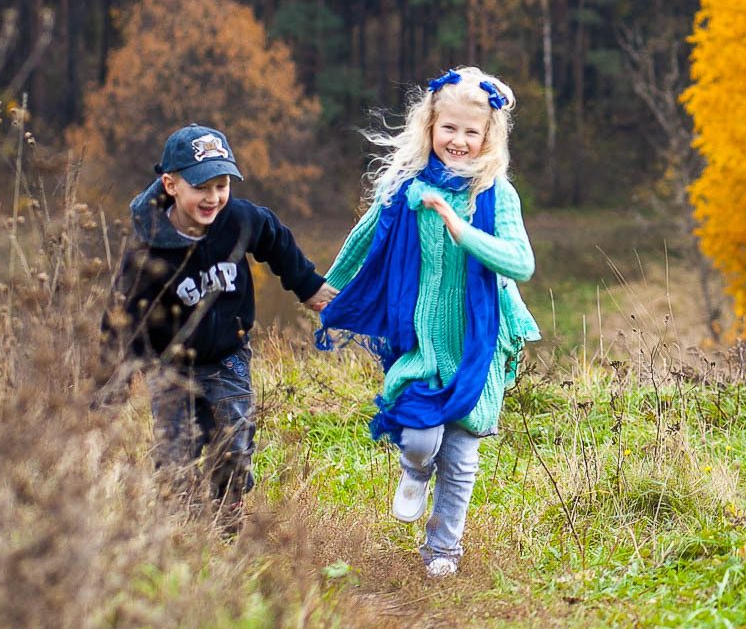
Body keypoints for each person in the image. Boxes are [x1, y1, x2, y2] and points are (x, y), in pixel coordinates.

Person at [317, 66, 540, 578]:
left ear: (488, 136)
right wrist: (325, 289)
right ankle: (415, 469)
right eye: (449, 129)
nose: (458, 140)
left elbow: (521, 263)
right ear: (430, 127)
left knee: (461, 457)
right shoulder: (406, 187)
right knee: (419, 436)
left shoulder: (495, 194)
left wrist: (463, 230)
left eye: (471, 131)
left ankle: (443, 551)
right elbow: (364, 238)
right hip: (422, 338)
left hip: (480, 341)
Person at [106, 124, 333, 530]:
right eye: (201, 187)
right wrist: (112, 382)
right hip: (170, 366)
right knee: (177, 448)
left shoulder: (238, 219)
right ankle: (182, 520)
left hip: (228, 356)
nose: (213, 198)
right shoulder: (149, 246)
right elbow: (122, 313)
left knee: (233, 441)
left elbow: (276, 240)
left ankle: (228, 512)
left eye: (222, 184)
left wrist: (308, 286)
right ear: (170, 184)